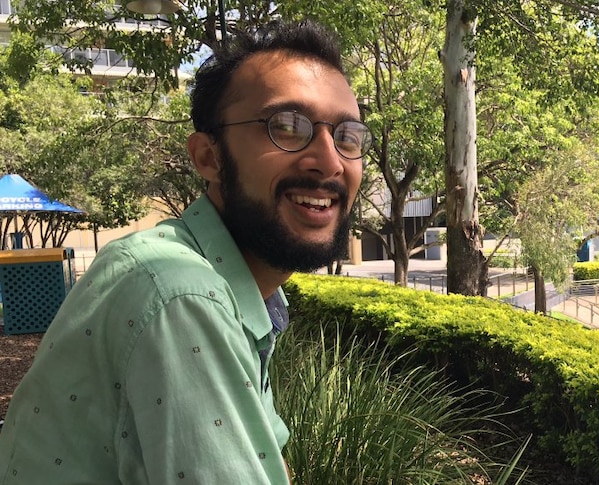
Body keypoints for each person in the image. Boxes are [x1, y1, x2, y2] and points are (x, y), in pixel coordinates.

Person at [0, 19, 370, 484]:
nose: (331, 160)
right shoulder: (180, 293)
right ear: (208, 158)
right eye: (288, 127)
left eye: (348, 137)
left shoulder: (240, 292)